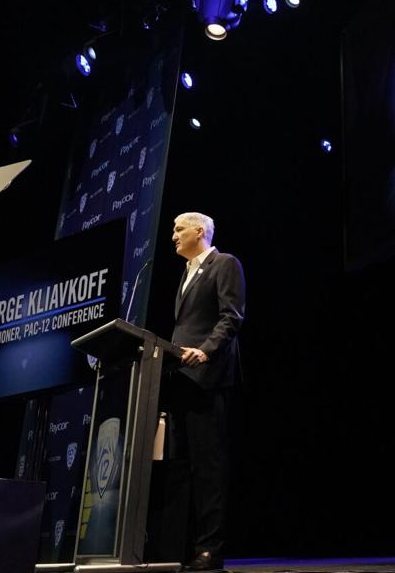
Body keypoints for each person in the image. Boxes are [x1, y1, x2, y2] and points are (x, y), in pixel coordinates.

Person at [166, 212, 245, 572]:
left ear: (199, 231)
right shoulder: (187, 272)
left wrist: (206, 350)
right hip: (181, 379)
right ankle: (178, 546)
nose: (173, 236)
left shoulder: (223, 263)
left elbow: (231, 316)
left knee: (208, 468)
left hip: (209, 378)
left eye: (179, 229)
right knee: (182, 468)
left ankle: (210, 549)